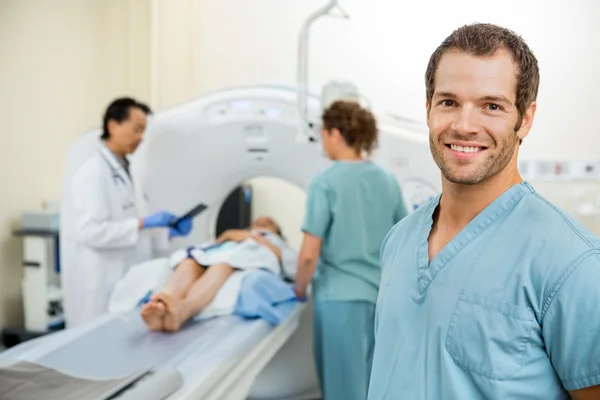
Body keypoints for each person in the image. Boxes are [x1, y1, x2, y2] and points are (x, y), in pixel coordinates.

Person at [368, 23, 600, 400]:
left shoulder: (574, 264)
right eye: (449, 102)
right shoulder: (399, 240)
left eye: (491, 106)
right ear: (428, 109)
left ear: (525, 118)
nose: (463, 125)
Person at [294, 100, 408, 400]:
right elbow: (404, 243)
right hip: (380, 301)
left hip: (339, 302)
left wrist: (299, 288)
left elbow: (308, 254)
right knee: (373, 388)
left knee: (342, 391)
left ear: (335, 134)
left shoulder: (325, 183)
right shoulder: (388, 181)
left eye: (322, 135)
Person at [62, 97, 193, 329]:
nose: (141, 138)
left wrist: (166, 233)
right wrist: (143, 223)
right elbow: (89, 232)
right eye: (137, 129)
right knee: (97, 340)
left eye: (144, 130)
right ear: (113, 126)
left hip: (127, 276)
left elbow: (132, 223)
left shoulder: (129, 170)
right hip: (102, 280)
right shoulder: (93, 172)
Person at [140, 216, 294, 332]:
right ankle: (161, 305)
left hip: (242, 255)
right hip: (221, 250)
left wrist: (260, 240)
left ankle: (184, 309)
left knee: (223, 264)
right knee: (190, 261)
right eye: (258, 222)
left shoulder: (276, 242)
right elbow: (217, 242)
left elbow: (290, 264)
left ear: (277, 231)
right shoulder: (238, 234)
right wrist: (236, 235)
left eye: (269, 223)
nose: (262, 224)